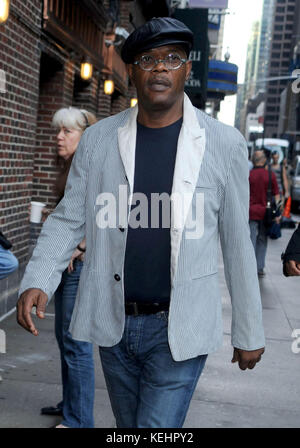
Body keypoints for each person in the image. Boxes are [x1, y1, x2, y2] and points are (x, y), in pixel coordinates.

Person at [16, 17, 265, 429]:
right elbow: (69, 217)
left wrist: (249, 330)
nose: (160, 68)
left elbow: (239, 243)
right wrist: (39, 277)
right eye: (148, 59)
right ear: (131, 72)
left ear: (187, 69)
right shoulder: (99, 140)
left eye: (172, 58)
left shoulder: (223, 144)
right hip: (114, 323)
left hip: (180, 329)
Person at [39, 107, 97, 428]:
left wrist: (83, 244)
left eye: (67, 132)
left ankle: (79, 421)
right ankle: (70, 405)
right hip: (66, 264)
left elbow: (109, 210)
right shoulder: (70, 166)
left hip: (81, 266)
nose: (59, 137)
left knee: (77, 343)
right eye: (57, 130)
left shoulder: (92, 166)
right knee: (65, 339)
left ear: (83, 136)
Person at [249, 150, 280, 277]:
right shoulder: (270, 175)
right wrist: (278, 213)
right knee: (262, 240)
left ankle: (249, 266)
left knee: (251, 240)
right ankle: (259, 267)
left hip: (250, 212)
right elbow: (277, 195)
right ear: (263, 160)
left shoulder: (249, 175)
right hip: (265, 213)